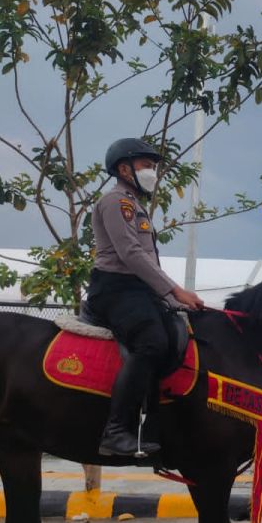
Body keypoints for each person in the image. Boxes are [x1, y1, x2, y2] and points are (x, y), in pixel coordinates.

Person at [90, 138, 204, 458]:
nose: (152, 172)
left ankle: (152, 426)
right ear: (124, 169)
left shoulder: (134, 204)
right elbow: (131, 254)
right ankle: (115, 431)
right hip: (114, 289)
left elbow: (145, 261)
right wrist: (174, 290)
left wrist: (175, 300)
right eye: (146, 166)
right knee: (151, 341)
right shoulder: (116, 203)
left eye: (153, 166)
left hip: (136, 290)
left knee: (175, 331)